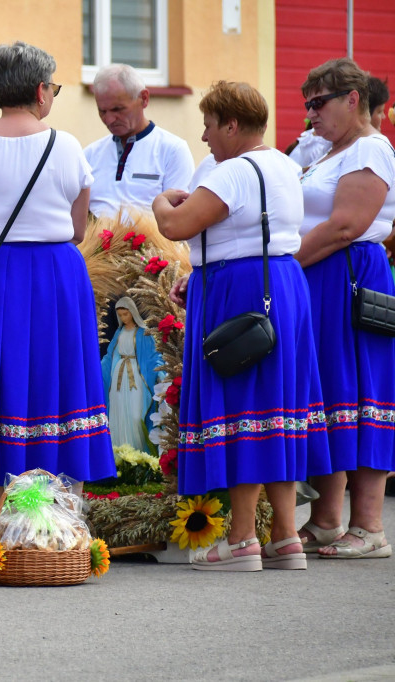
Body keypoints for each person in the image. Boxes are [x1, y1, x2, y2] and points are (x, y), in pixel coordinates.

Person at [0, 42, 116, 575]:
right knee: (62, 389)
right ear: (41, 91)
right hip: (56, 276)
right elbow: (80, 227)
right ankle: (66, 530)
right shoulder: (67, 147)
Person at [153, 80, 331, 571]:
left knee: (244, 406)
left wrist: (161, 201)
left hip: (240, 291)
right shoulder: (283, 164)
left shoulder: (232, 172)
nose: (206, 137)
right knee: (275, 405)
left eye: (210, 126)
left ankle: (241, 539)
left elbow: (175, 226)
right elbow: (251, 230)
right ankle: (286, 536)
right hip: (281, 283)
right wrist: (202, 270)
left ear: (232, 124)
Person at [294, 58, 395, 559]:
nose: (311, 113)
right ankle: (328, 518)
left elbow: (346, 225)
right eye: (306, 103)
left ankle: (371, 526)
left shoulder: (371, 150)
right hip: (321, 275)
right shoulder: (324, 152)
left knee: (362, 391)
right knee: (328, 393)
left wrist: (286, 267)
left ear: (352, 100)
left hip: (350, 274)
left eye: (319, 102)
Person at [84, 63, 194, 219]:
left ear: (144, 99)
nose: (108, 119)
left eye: (118, 109)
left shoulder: (173, 150)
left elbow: (178, 218)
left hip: (153, 243)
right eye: (102, 111)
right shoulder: (90, 154)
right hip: (94, 243)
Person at [100, 297, 161, 451]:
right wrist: (98, 369)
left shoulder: (143, 333)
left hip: (136, 376)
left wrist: (159, 371)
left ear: (132, 312)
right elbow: (109, 356)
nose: (122, 318)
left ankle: (140, 452)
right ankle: (120, 454)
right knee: (117, 414)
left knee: (135, 415)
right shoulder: (118, 333)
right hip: (118, 380)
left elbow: (153, 356)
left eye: (125, 314)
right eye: (120, 315)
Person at [289, 75, 389, 168]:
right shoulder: (321, 146)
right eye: (379, 111)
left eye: (317, 104)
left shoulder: (367, 147)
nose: (384, 116)